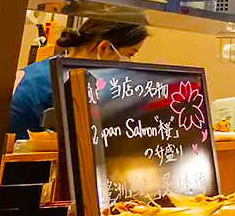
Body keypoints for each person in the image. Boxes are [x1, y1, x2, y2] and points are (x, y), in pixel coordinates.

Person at [9, 16, 151, 138]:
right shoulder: (61, 87)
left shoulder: (53, 68)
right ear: (103, 47)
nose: (128, 63)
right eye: (129, 55)